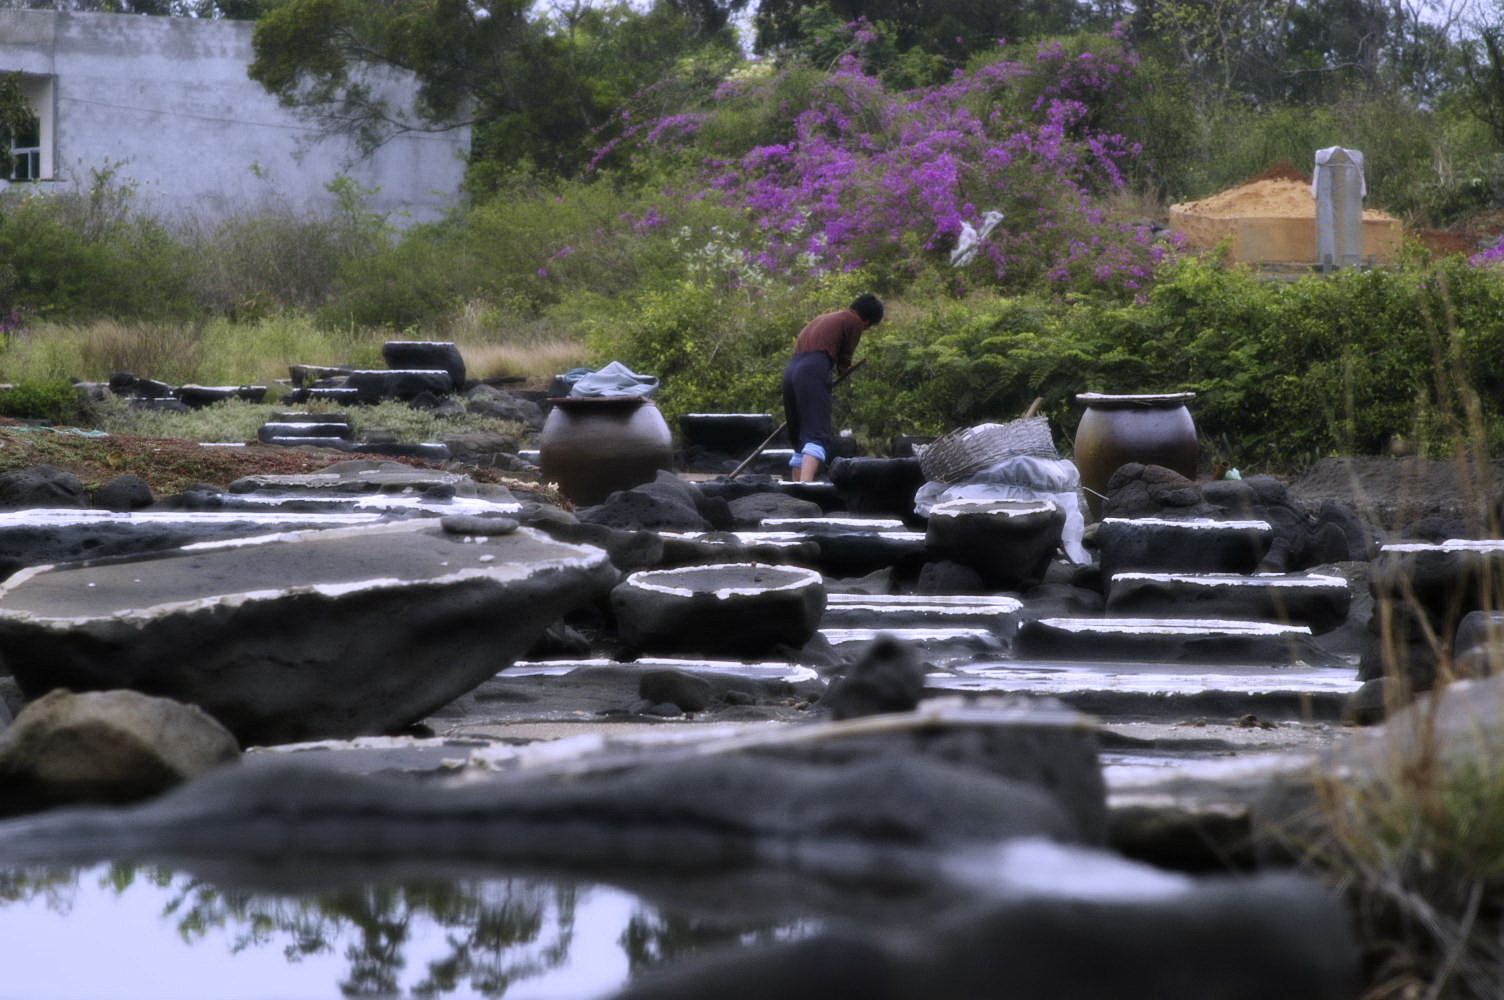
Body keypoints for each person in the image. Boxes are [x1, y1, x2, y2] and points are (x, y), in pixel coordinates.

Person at [781, 293, 884, 482]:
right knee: (817, 434)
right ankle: (805, 485)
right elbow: (845, 357)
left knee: (799, 436)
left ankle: (795, 488)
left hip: (791, 371)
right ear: (867, 320)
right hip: (812, 370)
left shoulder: (824, 318)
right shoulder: (853, 321)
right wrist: (844, 371)